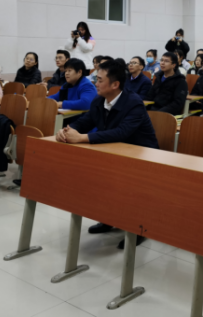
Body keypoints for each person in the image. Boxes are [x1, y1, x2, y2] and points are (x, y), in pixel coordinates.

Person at [56, 59, 158, 241]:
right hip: (114, 151)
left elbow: (121, 132)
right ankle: (109, 218)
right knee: (101, 180)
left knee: (129, 187)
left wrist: (82, 138)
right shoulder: (99, 100)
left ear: (115, 84)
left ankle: (139, 229)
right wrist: (66, 131)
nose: (96, 83)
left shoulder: (134, 103)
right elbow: (85, 121)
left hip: (141, 156)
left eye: (100, 80)